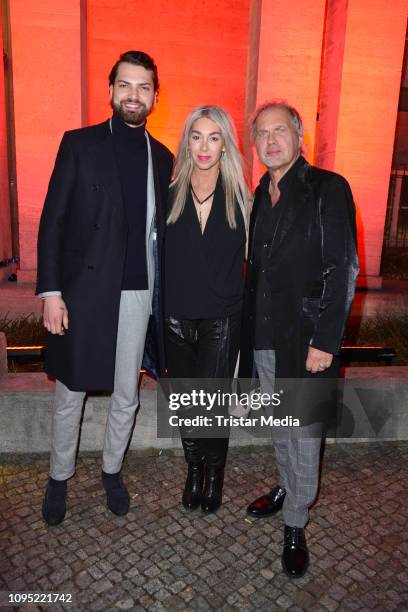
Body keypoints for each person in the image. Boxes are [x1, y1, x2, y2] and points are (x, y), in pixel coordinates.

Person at [37, 50, 173, 525]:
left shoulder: (165, 157)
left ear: (155, 96)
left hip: (138, 292)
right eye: (125, 85)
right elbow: (53, 221)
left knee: (126, 393)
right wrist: (51, 292)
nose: (133, 95)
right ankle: (59, 476)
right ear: (111, 89)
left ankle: (112, 470)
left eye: (143, 87)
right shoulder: (79, 144)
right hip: (83, 291)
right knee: (71, 390)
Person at [239, 100, 359, 577]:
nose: (270, 140)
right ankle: (287, 486)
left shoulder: (328, 188)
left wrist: (325, 341)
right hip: (265, 337)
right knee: (280, 425)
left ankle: (295, 522)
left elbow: (342, 269)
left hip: (307, 340)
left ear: (298, 135)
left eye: (279, 131)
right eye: (262, 134)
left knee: (304, 435)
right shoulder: (257, 195)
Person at [165, 105, 250, 513]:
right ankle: (194, 467)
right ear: (187, 142)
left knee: (212, 401)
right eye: (196, 136)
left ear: (225, 145)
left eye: (213, 137)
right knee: (185, 401)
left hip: (222, 318)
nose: (204, 146)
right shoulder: (168, 196)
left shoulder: (243, 199)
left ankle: (214, 471)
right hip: (176, 317)